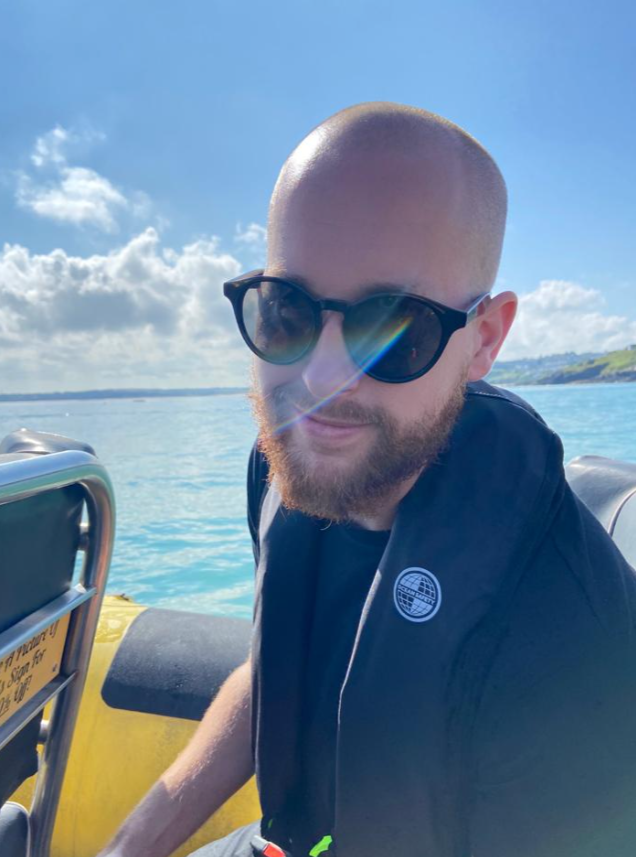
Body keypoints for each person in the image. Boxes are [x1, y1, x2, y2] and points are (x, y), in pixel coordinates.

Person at [98, 103, 636, 857]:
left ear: (483, 340)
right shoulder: (289, 463)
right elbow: (276, 666)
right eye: (286, 309)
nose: (319, 376)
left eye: (392, 329)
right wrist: (130, 845)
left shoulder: (577, 644)